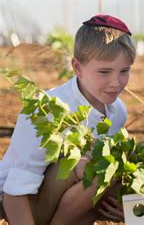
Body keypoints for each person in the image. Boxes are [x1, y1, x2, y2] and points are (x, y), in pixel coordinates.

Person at [0, 14, 136, 225]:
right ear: (77, 67)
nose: (115, 82)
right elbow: (14, 194)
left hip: (62, 202)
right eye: (104, 72)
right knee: (92, 167)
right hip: (20, 207)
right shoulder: (47, 109)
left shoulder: (117, 112)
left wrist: (127, 207)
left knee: (115, 169)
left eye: (124, 71)